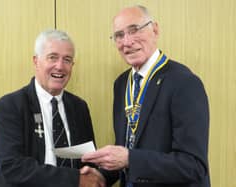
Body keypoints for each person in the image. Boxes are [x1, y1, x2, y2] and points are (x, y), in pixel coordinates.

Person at [82, 5, 210, 187]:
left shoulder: (184, 82)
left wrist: (130, 159)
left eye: (134, 30)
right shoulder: (121, 84)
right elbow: (127, 147)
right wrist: (101, 175)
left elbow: (193, 166)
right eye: (119, 35)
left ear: (155, 30)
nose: (126, 42)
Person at [0, 29, 105, 187]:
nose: (60, 66)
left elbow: (88, 159)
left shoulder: (79, 107)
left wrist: (99, 175)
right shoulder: (9, 106)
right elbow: (13, 167)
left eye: (67, 59)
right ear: (36, 61)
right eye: (52, 57)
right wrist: (75, 179)